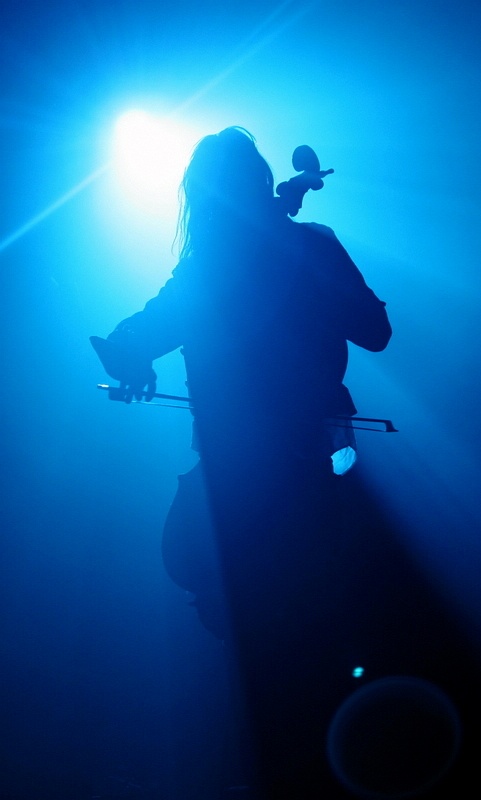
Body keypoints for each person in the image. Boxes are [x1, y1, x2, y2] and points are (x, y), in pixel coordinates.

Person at [96, 127, 392, 799]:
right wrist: (309, 252)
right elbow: (376, 332)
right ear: (261, 184)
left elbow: (139, 332)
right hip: (306, 474)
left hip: (233, 489)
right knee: (316, 635)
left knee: (263, 655)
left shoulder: (207, 267)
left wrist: (128, 355)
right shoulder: (296, 247)